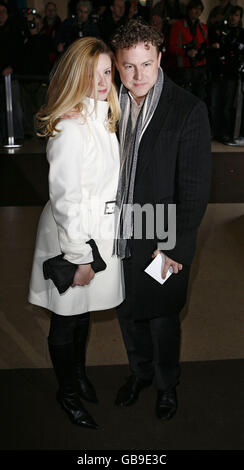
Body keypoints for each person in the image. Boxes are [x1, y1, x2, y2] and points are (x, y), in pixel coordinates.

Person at [111, 18, 211, 420]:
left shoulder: (187, 109)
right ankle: (140, 373)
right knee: (127, 309)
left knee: (162, 317)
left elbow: (194, 190)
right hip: (117, 231)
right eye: (128, 66)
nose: (138, 76)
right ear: (117, 64)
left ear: (159, 58)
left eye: (146, 65)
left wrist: (171, 248)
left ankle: (167, 385)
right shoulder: (109, 106)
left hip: (161, 235)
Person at [28, 37, 124, 428]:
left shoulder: (102, 116)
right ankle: (67, 394)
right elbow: (66, 200)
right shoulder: (70, 126)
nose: (102, 82)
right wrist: (79, 257)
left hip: (95, 234)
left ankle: (78, 376)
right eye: (93, 73)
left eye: (106, 72)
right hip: (73, 239)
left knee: (81, 314)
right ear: (74, 75)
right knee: (65, 318)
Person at [208, 5, 244, 142]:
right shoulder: (219, 30)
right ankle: (214, 131)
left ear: (240, 18)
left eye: (236, 15)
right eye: (232, 14)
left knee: (228, 107)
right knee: (214, 104)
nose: (233, 17)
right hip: (218, 72)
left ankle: (225, 133)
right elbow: (213, 47)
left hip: (232, 74)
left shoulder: (241, 33)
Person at [168, 0, 208, 100]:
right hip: (184, 68)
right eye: (195, 8)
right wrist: (186, 52)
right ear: (189, 10)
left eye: (200, 9)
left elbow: (206, 46)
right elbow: (172, 47)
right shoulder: (178, 26)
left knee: (199, 98)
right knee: (183, 99)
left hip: (199, 68)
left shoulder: (203, 28)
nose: (197, 11)